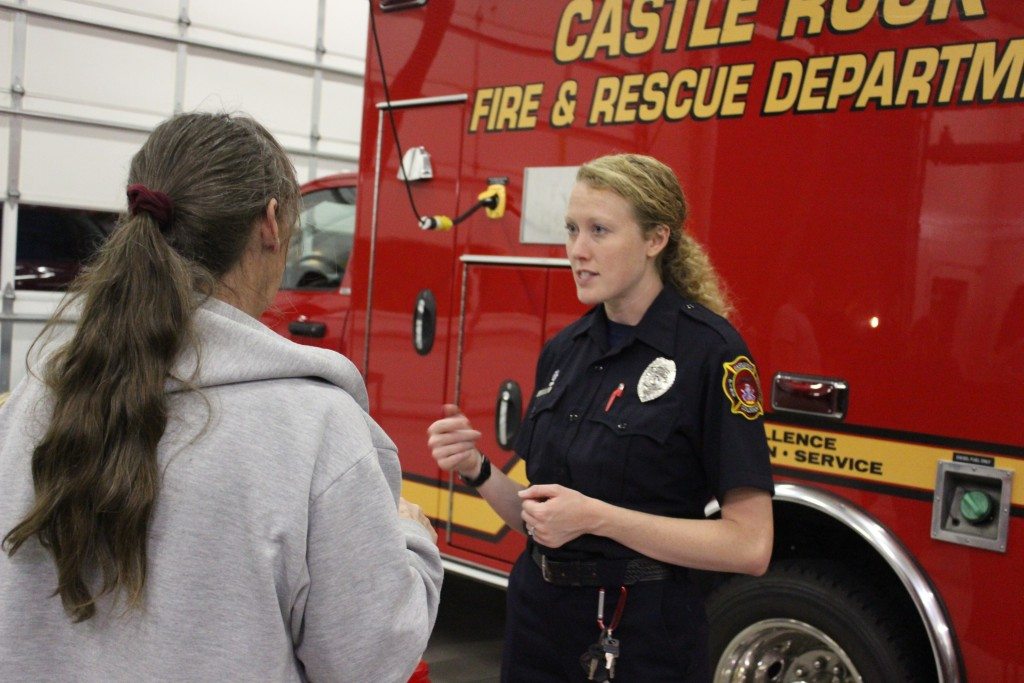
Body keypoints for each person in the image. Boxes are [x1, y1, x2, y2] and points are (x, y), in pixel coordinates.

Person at [0, 112, 442, 682]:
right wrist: (412, 540)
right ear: (271, 223)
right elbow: (367, 659)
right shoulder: (315, 428)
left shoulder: (37, 396)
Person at [428, 153, 774, 681]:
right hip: (537, 622)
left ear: (656, 239)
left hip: (641, 637)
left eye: (599, 231)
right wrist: (476, 467)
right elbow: (538, 519)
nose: (576, 251)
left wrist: (598, 518)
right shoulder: (566, 349)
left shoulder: (712, 353)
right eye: (571, 229)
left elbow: (750, 546)